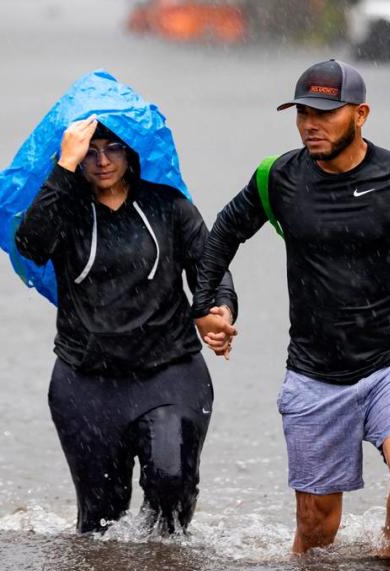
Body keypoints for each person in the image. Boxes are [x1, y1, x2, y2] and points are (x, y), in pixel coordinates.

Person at [191, 59, 390, 558]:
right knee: (315, 536)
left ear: (361, 114)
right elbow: (223, 232)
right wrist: (209, 305)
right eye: (302, 112)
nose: (311, 124)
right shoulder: (277, 178)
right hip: (314, 373)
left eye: (326, 113)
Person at [15, 115, 237, 534]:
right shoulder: (65, 209)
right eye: (90, 151)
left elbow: (210, 269)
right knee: (101, 524)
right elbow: (31, 245)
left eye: (112, 148)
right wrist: (63, 168)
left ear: (131, 153)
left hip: (169, 372)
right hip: (85, 381)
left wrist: (219, 309)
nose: (102, 161)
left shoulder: (169, 206)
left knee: (170, 487)